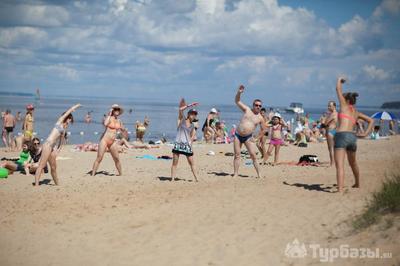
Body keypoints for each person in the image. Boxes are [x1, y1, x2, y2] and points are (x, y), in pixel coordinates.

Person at [334, 77, 374, 192]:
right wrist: (366, 133)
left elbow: (338, 89)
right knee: (353, 163)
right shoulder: (356, 113)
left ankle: (340, 189)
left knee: (340, 165)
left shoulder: (344, 106)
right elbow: (371, 120)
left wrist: (339, 79)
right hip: (352, 137)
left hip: (341, 135)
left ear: (346, 100)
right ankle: (357, 183)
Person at [34, 104, 81, 186]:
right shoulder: (59, 121)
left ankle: (57, 184)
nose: (70, 120)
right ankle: (37, 185)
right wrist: (75, 107)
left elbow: (61, 140)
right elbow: (68, 112)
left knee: (53, 167)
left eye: (71, 119)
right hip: (47, 145)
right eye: (69, 118)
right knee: (42, 165)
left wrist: (58, 150)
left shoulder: (64, 128)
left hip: (52, 148)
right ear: (66, 117)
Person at [233, 85, 266, 178]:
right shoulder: (247, 110)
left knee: (253, 156)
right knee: (237, 155)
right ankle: (235, 174)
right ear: (253, 105)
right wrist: (239, 92)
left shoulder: (260, 118)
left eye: (260, 106)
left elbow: (264, 130)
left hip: (248, 137)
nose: (258, 107)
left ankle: (259, 175)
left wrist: (256, 138)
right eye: (256, 105)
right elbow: (237, 101)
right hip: (238, 135)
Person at [91, 104, 125, 176]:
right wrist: (109, 114)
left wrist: (122, 129)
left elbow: (123, 129)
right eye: (115, 109)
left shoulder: (119, 120)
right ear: (112, 110)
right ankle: (93, 174)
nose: (117, 111)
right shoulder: (109, 118)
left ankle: (121, 174)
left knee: (116, 158)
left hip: (112, 142)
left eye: (118, 109)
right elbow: (105, 124)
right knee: (99, 157)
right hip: (104, 140)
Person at [170, 99, 199, 182]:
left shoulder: (193, 126)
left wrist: (191, 147)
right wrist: (190, 105)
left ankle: (197, 179)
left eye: (195, 115)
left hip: (187, 146)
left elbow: (192, 138)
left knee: (192, 163)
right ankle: (172, 179)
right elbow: (180, 109)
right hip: (178, 145)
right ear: (188, 114)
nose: (193, 116)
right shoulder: (181, 120)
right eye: (192, 114)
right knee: (175, 163)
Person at [325, 101, 338, 166]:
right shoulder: (337, 114)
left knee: (331, 148)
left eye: (330, 106)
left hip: (330, 131)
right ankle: (334, 162)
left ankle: (332, 163)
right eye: (328, 105)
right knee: (334, 148)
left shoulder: (333, 114)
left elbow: (326, 123)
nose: (328, 107)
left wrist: (327, 116)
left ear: (334, 106)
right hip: (335, 131)